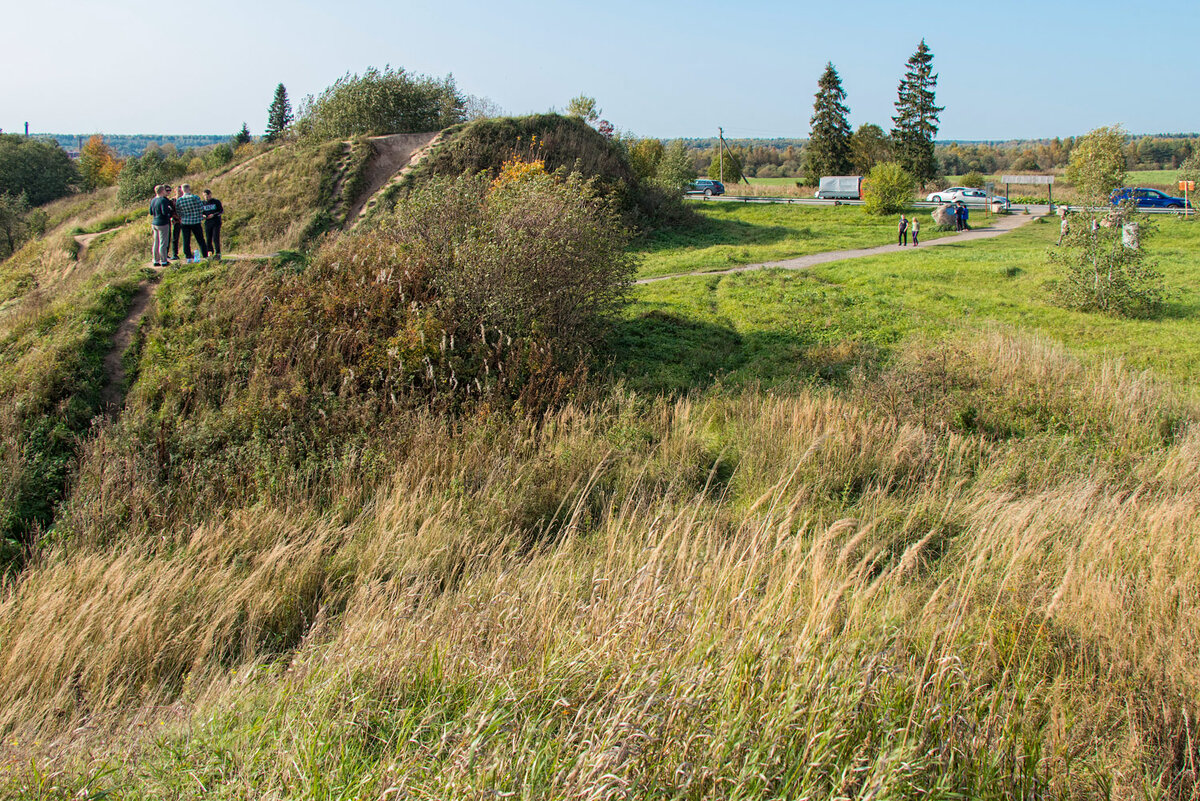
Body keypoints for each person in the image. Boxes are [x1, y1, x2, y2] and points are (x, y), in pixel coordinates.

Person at [175, 183, 209, 261]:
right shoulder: (195, 198)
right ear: (189, 189)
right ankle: (205, 254)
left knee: (186, 240)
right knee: (200, 239)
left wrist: (183, 215)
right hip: (196, 221)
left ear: (182, 190)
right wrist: (198, 215)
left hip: (185, 222)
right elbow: (201, 208)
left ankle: (188, 256)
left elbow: (178, 212)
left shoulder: (179, 200)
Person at [149, 185, 172, 267]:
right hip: (163, 223)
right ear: (162, 191)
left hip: (154, 222)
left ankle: (155, 260)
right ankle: (164, 261)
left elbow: (151, 212)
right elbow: (165, 212)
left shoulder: (153, 200)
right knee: (163, 243)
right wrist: (169, 209)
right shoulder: (163, 200)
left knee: (156, 242)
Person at [201, 189, 223, 261]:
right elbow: (201, 212)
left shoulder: (216, 202)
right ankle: (210, 252)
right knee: (208, 238)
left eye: (208, 195)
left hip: (216, 221)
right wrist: (203, 216)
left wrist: (213, 215)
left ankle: (218, 253)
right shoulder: (202, 203)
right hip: (207, 222)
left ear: (210, 194)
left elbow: (221, 211)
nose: (206, 197)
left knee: (215, 237)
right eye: (205, 196)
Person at [169, 185, 183, 260]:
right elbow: (170, 211)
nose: (180, 192)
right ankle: (174, 253)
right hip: (176, 221)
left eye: (181, 191)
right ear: (175, 191)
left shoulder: (184, 199)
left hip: (185, 220)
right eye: (178, 191)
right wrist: (173, 217)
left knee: (186, 237)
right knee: (175, 238)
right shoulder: (172, 200)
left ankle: (187, 252)